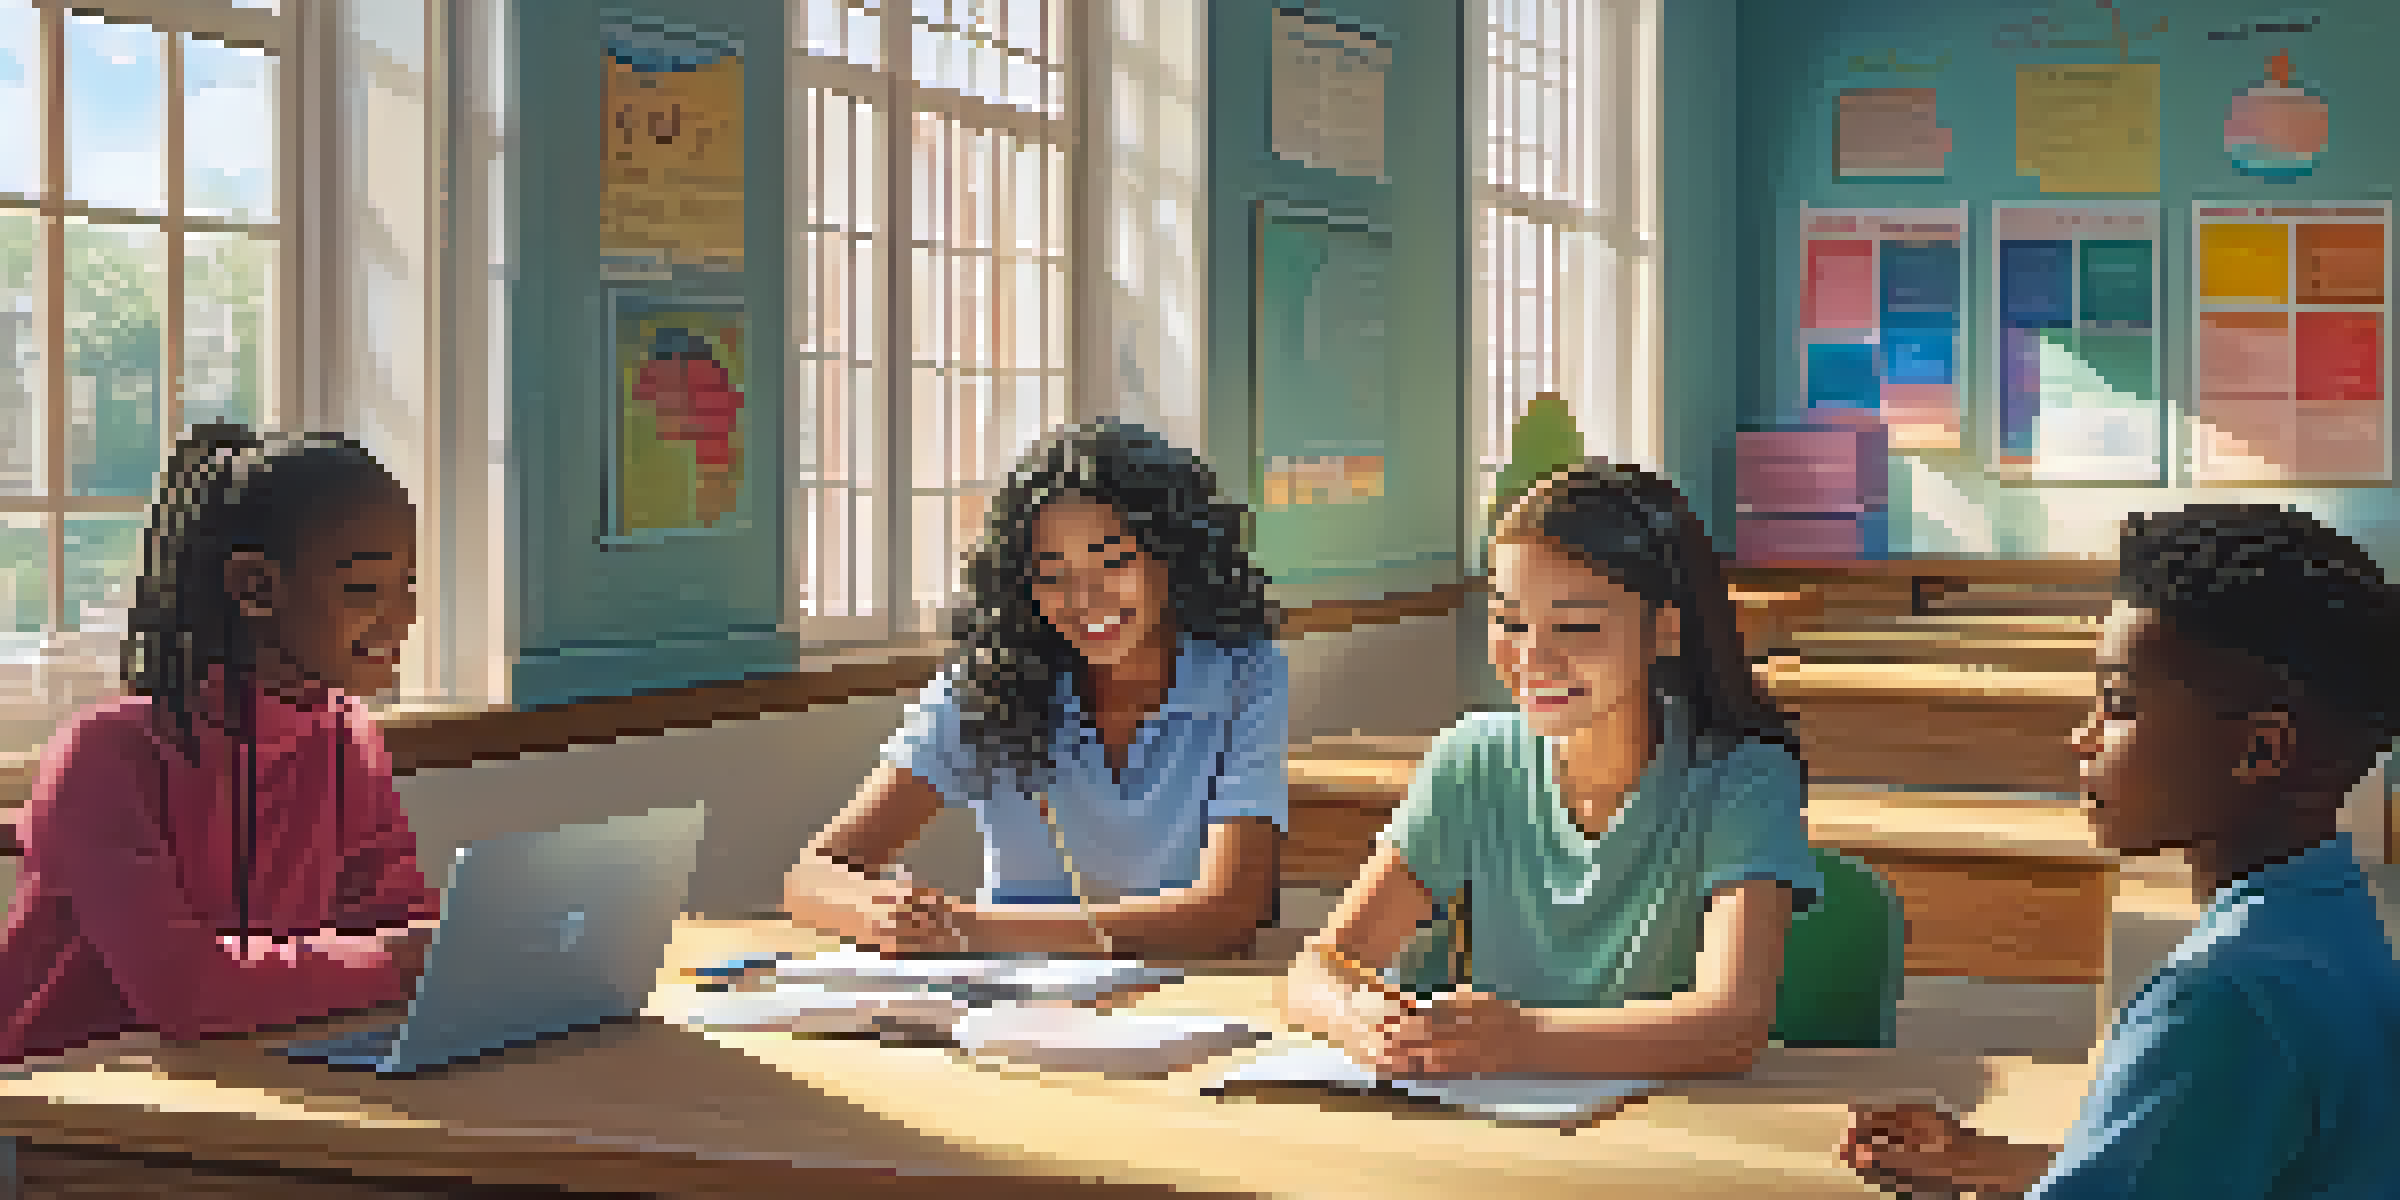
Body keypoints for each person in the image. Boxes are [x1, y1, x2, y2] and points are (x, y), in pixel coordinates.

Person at [1842, 504, 2400, 1198]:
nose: (2083, 737)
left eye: (2118, 702)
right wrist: (1997, 1162)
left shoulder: (2216, 1002)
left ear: (2260, 749)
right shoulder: (2334, 923)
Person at [1279, 460, 1822, 1078]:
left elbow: (1730, 1027)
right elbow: (1318, 969)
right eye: (1509, 622)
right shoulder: (1473, 758)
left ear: (1664, 631)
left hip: (1670, 1136)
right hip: (1496, 1126)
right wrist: (1359, 1019)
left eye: (1577, 626)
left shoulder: (1744, 779)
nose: (1532, 656)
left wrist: (1524, 1040)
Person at [0, 424, 440, 1067]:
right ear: (256, 588)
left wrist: (438, 956)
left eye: (407, 586)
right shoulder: (101, 757)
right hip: (59, 1108)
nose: (401, 618)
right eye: (363, 590)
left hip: (236, 1077)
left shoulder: (347, 738)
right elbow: (187, 992)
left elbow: (402, 928)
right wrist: (402, 960)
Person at [783, 419, 1286, 958]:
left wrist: (970, 929)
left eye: (1112, 563)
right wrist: (884, 913)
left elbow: (1230, 912)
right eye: (1052, 575)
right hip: (1013, 1006)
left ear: (1173, 559)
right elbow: (811, 876)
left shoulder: (1244, 674)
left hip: (1193, 1003)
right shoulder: (989, 678)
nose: (1083, 598)